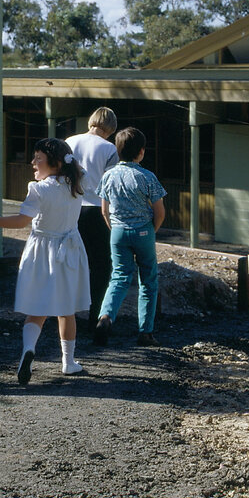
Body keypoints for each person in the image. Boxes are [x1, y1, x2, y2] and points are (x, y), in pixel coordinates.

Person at [0, 138, 90, 385]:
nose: (32, 163)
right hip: (70, 251)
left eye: (38, 158)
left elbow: (20, 221)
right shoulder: (75, 185)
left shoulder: (39, 189)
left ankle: (28, 349)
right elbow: (78, 173)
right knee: (66, 309)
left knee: (37, 309)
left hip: (42, 252)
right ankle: (68, 362)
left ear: (55, 163)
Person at [93, 127, 167, 348]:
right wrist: (151, 230)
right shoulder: (146, 177)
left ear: (117, 151)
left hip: (117, 232)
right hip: (143, 230)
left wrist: (114, 228)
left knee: (118, 278)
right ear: (141, 152)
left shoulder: (108, 176)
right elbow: (160, 211)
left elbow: (104, 210)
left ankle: (105, 317)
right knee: (148, 281)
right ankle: (146, 332)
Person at [65, 107, 119, 324]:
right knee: (100, 266)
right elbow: (110, 184)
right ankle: (96, 314)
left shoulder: (70, 141)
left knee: (70, 262)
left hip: (71, 206)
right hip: (97, 208)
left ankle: (64, 313)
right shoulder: (110, 149)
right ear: (111, 127)